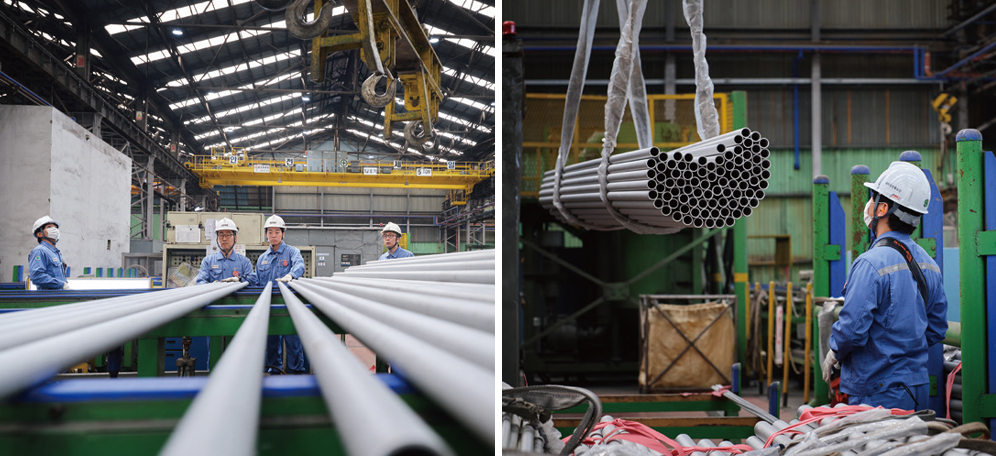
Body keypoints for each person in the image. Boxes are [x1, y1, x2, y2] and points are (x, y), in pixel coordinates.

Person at [824, 161, 948, 411]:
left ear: (882, 208)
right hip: (918, 389)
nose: (868, 205)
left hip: (876, 393)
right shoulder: (929, 265)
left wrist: (834, 353)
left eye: (873, 198)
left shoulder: (870, 264)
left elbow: (851, 330)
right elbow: (936, 328)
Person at [256, 215, 307, 374]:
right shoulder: (262, 259)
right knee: (271, 344)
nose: (273, 235)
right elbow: (258, 281)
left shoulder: (292, 252)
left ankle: (296, 376)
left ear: (283, 234)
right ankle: (274, 373)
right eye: (270, 232)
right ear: (266, 234)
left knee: (293, 343)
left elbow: (299, 265)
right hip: (270, 308)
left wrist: (290, 275)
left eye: (277, 232)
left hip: (289, 307)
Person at [195, 217, 256, 285]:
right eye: (221, 235)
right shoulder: (208, 261)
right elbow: (200, 282)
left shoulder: (244, 262)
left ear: (235, 238)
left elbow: (253, 281)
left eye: (228, 235)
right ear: (217, 238)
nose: (224, 238)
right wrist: (211, 286)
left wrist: (240, 279)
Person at [28, 216, 69, 290]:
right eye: (49, 227)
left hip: (59, 296)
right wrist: (61, 285)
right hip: (48, 297)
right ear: (40, 234)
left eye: (56, 228)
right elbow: (36, 276)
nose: (54, 230)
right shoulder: (39, 251)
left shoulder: (56, 253)